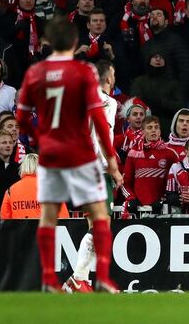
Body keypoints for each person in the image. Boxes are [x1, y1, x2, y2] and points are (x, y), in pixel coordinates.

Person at [16, 17, 121, 292]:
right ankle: (85, 279)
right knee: (100, 222)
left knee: (51, 217)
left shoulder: (39, 74)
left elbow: (23, 117)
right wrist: (111, 163)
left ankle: (62, 279)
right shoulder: (98, 92)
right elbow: (99, 128)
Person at [63, 60, 118, 293]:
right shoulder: (106, 102)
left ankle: (79, 280)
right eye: (113, 73)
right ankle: (78, 278)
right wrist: (112, 167)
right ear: (108, 77)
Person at [0, 154, 69, 219]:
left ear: (22, 167)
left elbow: (5, 219)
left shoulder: (10, 190)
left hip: (19, 228)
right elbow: (63, 218)